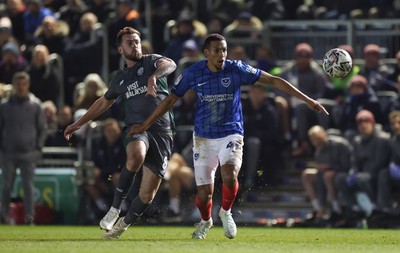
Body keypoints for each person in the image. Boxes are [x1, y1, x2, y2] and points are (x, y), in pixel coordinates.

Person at [128, 33, 328, 239]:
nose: (221, 54)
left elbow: (274, 81)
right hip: (204, 138)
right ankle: (206, 220)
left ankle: (226, 212)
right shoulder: (193, 73)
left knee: (230, 175)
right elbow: (170, 100)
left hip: (231, 133)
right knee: (204, 194)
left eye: (224, 50)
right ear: (206, 53)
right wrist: (146, 124)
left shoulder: (237, 69)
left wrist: (308, 99)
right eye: (216, 50)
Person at [63, 27, 176, 239]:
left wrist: (153, 77)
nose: (135, 45)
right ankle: (114, 208)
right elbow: (103, 102)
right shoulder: (120, 78)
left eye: (137, 41)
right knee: (136, 156)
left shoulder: (152, 62)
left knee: (147, 195)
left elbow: (170, 64)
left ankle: (123, 225)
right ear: (120, 49)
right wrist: (78, 123)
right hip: (136, 127)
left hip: (162, 131)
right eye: (130, 42)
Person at [0, 71, 47, 224]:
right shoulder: (4, 106)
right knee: (6, 187)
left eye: (23, 84)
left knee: (28, 188)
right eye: (18, 84)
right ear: (13, 85)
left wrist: (38, 147)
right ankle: (3, 217)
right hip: (8, 153)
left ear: (28, 85)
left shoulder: (35, 104)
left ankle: (29, 219)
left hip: (29, 153)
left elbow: (42, 128)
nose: (21, 87)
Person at [301, 125, 352, 226]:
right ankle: (318, 209)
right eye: (313, 140)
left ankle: (336, 210)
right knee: (307, 175)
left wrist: (329, 166)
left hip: (346, 174)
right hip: (327, 177)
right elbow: (320, 176)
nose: (317, 142)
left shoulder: (339, 144)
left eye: (318, 138)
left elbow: (348, 165)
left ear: (324, 134)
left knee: (327, 175)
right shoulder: (319, 152)